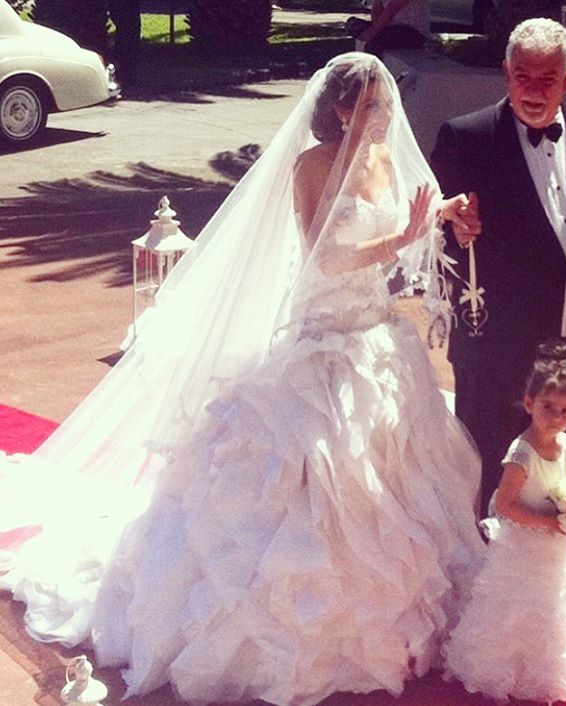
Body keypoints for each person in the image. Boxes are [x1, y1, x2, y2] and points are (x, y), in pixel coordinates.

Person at [0, 53, 485, 706]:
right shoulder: (311, 164)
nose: (385, 115)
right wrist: (398, 238)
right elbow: (325, 254)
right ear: (342, 110)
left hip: (377, 334)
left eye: (388, 102)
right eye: (372, 105)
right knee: (308, 473)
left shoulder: (386, 159)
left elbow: (412, 220)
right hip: (322, 336)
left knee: (396, 472)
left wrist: (442, 214)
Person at [431, 17, 566, 516]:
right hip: (496, 340)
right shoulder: (467, 137)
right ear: (506, 72)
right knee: (489, 468)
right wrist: (454, 227)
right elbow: (432, 227)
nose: (532, 89)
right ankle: (485, 576)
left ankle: (541, 576)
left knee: (553, 462)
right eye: (522, 75)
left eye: (547, 78)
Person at [443, 342, 566, 703]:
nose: (556, 417)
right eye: (548, 407)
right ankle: (513, 668)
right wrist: (548, 522)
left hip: (559, 544)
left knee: (557, 604)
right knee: (523, 605)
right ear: (529, 403)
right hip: (526, 544)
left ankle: (553, 665)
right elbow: (505, 505)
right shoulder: (522, 454)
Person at [345, 0, 428, 59]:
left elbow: (392, 8)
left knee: (373, 44)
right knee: (353, 25)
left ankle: (372, 78)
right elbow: (377, 9)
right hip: (392, 29)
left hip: (412, 32)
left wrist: (373, 32)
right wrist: (374, 29)